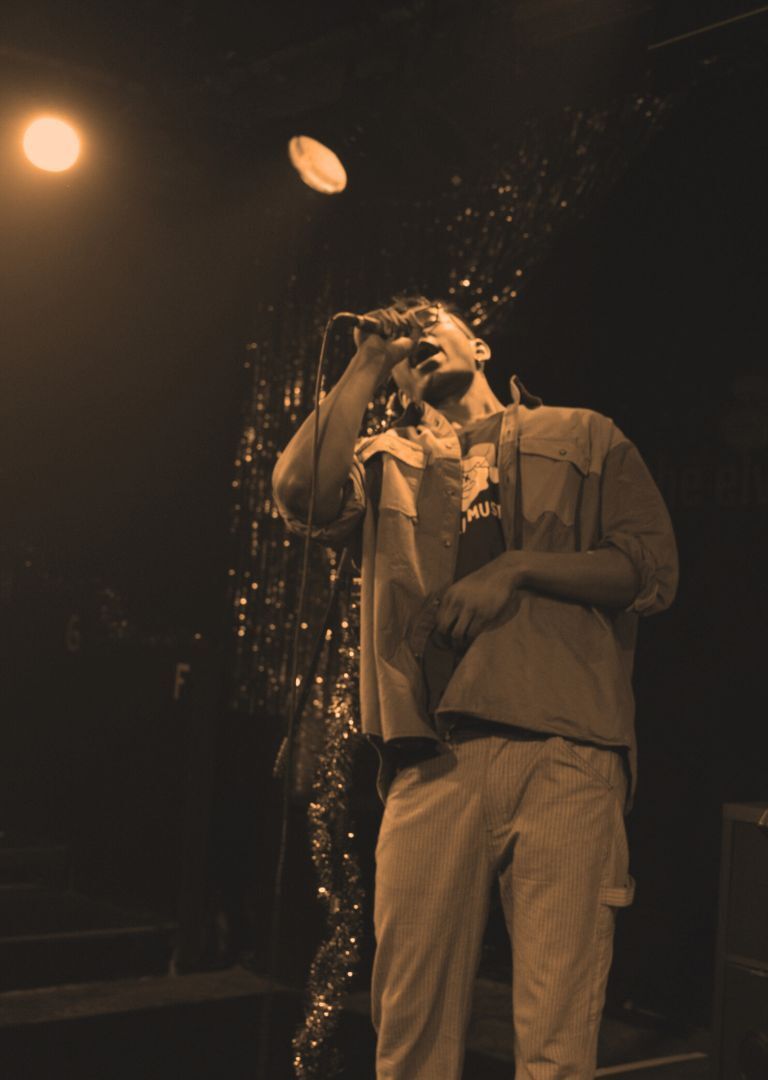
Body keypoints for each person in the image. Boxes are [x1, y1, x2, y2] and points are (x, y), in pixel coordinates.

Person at [271, 297, 678, 1080]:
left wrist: (516, 568)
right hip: (431, 760)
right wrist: (367, 360)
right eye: (406, 332)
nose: (418, 331)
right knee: (410, 1039)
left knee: (556, 1044)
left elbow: (649, 570)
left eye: (434, 316)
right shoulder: (383, 455)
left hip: (566, 750)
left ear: (480, 344)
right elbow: (300, 494)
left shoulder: (584, 433)